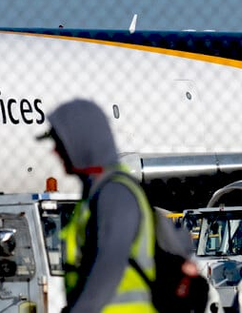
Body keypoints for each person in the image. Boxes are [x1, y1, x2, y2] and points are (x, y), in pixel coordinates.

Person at [40, 99, 158, 313]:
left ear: (81, 143)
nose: (55, 152)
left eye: (60, 143)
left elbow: (106, 272)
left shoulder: (114, 194)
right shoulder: (95, 194)